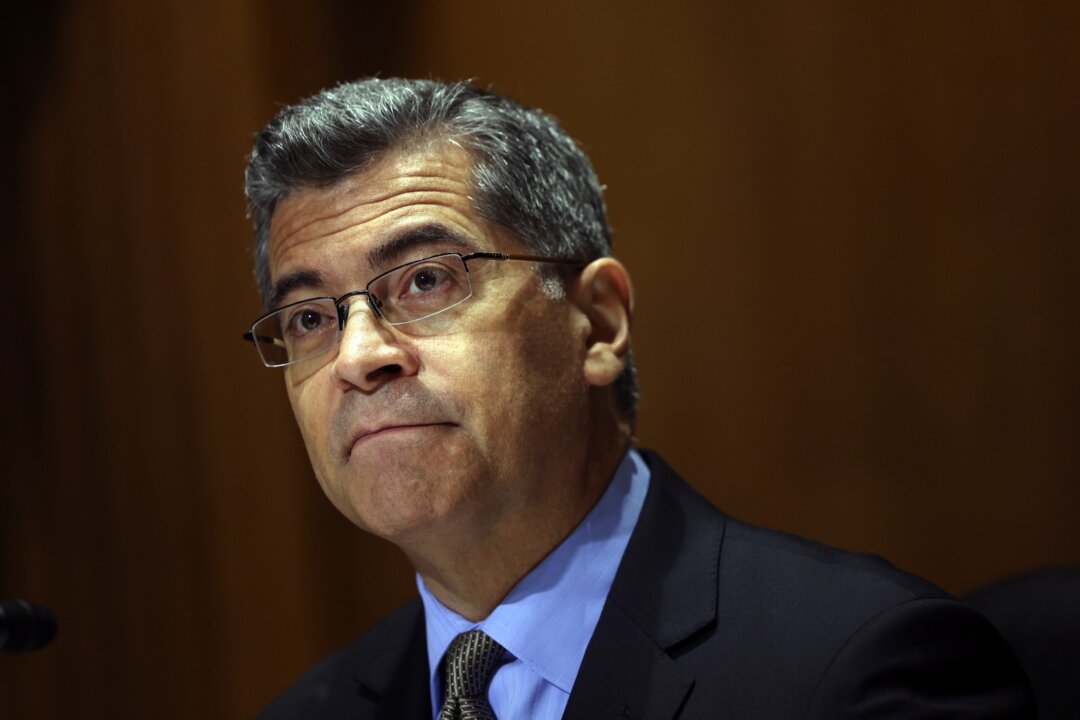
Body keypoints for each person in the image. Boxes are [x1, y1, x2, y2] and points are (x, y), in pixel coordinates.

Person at [243, 78, 1035, 719]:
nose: (359, 357)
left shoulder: (860, 672)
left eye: (426, 280)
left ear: (598, 322)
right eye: (310, 318)